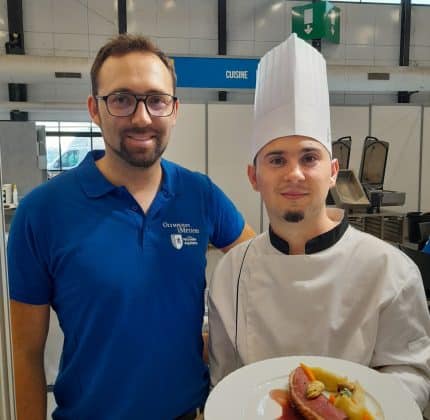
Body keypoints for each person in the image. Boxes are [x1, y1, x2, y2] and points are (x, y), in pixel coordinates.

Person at [7, 34, 254, 420]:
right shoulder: (41, 212)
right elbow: (25, 354)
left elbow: (260, 270)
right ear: (94, 108)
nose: (142, 117)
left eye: (156, 100)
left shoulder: (200, 194)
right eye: (121, 99)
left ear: (174, 109)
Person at [208, 33, 430, 411]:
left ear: (332, 172)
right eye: (276, 159)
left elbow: (412, 373)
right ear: (253, 176)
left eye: (309, 158)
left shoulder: (390, 269)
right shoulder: (232, 271)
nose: (294, 173)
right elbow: (224, 378)